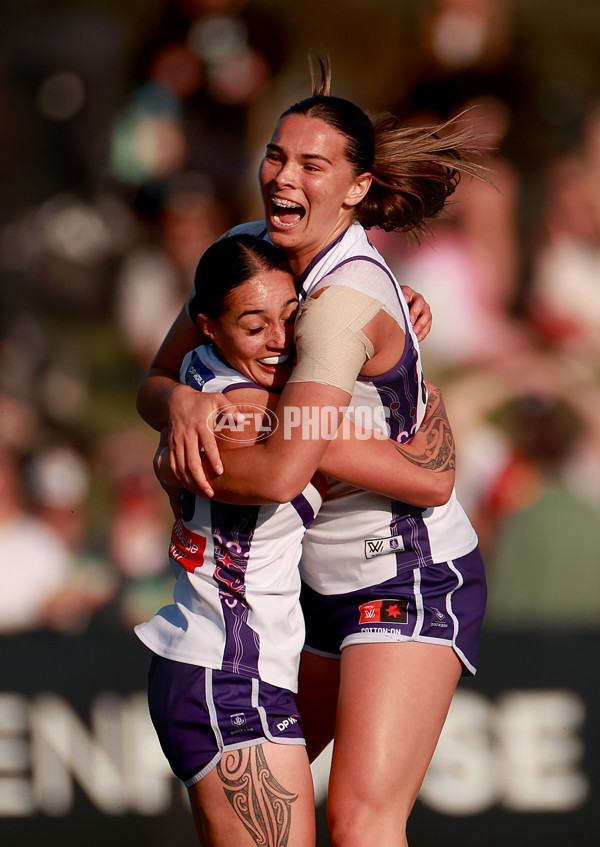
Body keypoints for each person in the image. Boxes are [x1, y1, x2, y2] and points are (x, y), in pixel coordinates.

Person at [137, 59, 487, 847]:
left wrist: (190, 454)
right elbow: (156, 379)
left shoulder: (338, 305)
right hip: (306, 592)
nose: (280, 176)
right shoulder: (248, 254)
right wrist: (186, 406)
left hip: (402, 570)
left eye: (311, 165)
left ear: (357, 189)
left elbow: (298, 467)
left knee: (361, 822)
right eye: (275, 154)